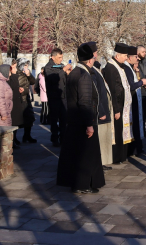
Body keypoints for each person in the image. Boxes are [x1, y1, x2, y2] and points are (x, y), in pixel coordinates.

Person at [56, 44, 106, 194]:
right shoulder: (84, 75)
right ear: (90, 60)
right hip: (83, 121)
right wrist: (89, 124)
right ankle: (82, 184)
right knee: (86, 155)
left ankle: (79, 183)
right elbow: (85, 102)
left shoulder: (74, 72)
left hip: (74, 120)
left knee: (77, 154)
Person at [83, 42, 114, 170]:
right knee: (99, 138)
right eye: (95, 53)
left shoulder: (95, 69)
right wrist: (101, 111)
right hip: (99, 111)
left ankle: (100, 162)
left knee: (103, 138)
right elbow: (95, 94)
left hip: (103, 108)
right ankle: (97, 163)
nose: (96, 55)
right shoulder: (90, 72)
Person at [102, 43, 134, 164]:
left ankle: (121, 156)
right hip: (117, 107)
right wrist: (116, 110)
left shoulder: (119, 66)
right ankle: (116, 157)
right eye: (125, 55)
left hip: (122, 106)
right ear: (118, 55)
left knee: (120, 131)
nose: (126, 58)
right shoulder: (111, 68)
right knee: (116, 132)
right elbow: (113, 90)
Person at [45, 48, 72, 147]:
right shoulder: (48, 67)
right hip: (54, 97)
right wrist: (63, 71)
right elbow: (53, 79)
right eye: (59, 57)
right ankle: (55, 138)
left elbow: (65, 80)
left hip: (63, 97)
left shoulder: (61, 66)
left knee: (64, 119)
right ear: (53, 57)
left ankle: (63, 137)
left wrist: (69, 74)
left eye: (62, 57)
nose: (61, 60)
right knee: (54, 119)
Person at [124, 46, 146, 156]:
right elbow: (131, 85)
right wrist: (141, 82)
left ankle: (136, 147)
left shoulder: (131, 68)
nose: (137, 59)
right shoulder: (127, 68)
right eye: (135, 57)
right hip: (131, 102)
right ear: (129, 58)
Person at [16, 58, 37, 144]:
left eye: (27, 65)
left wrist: (29, 75)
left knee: (30, 118)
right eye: (25, 65)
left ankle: (27, 135)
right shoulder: (17, 74)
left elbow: (33, 82)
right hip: (19, 99)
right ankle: (14, 138)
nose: (26, 67)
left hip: (26, 99)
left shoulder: (26, 74)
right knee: (18, 120)